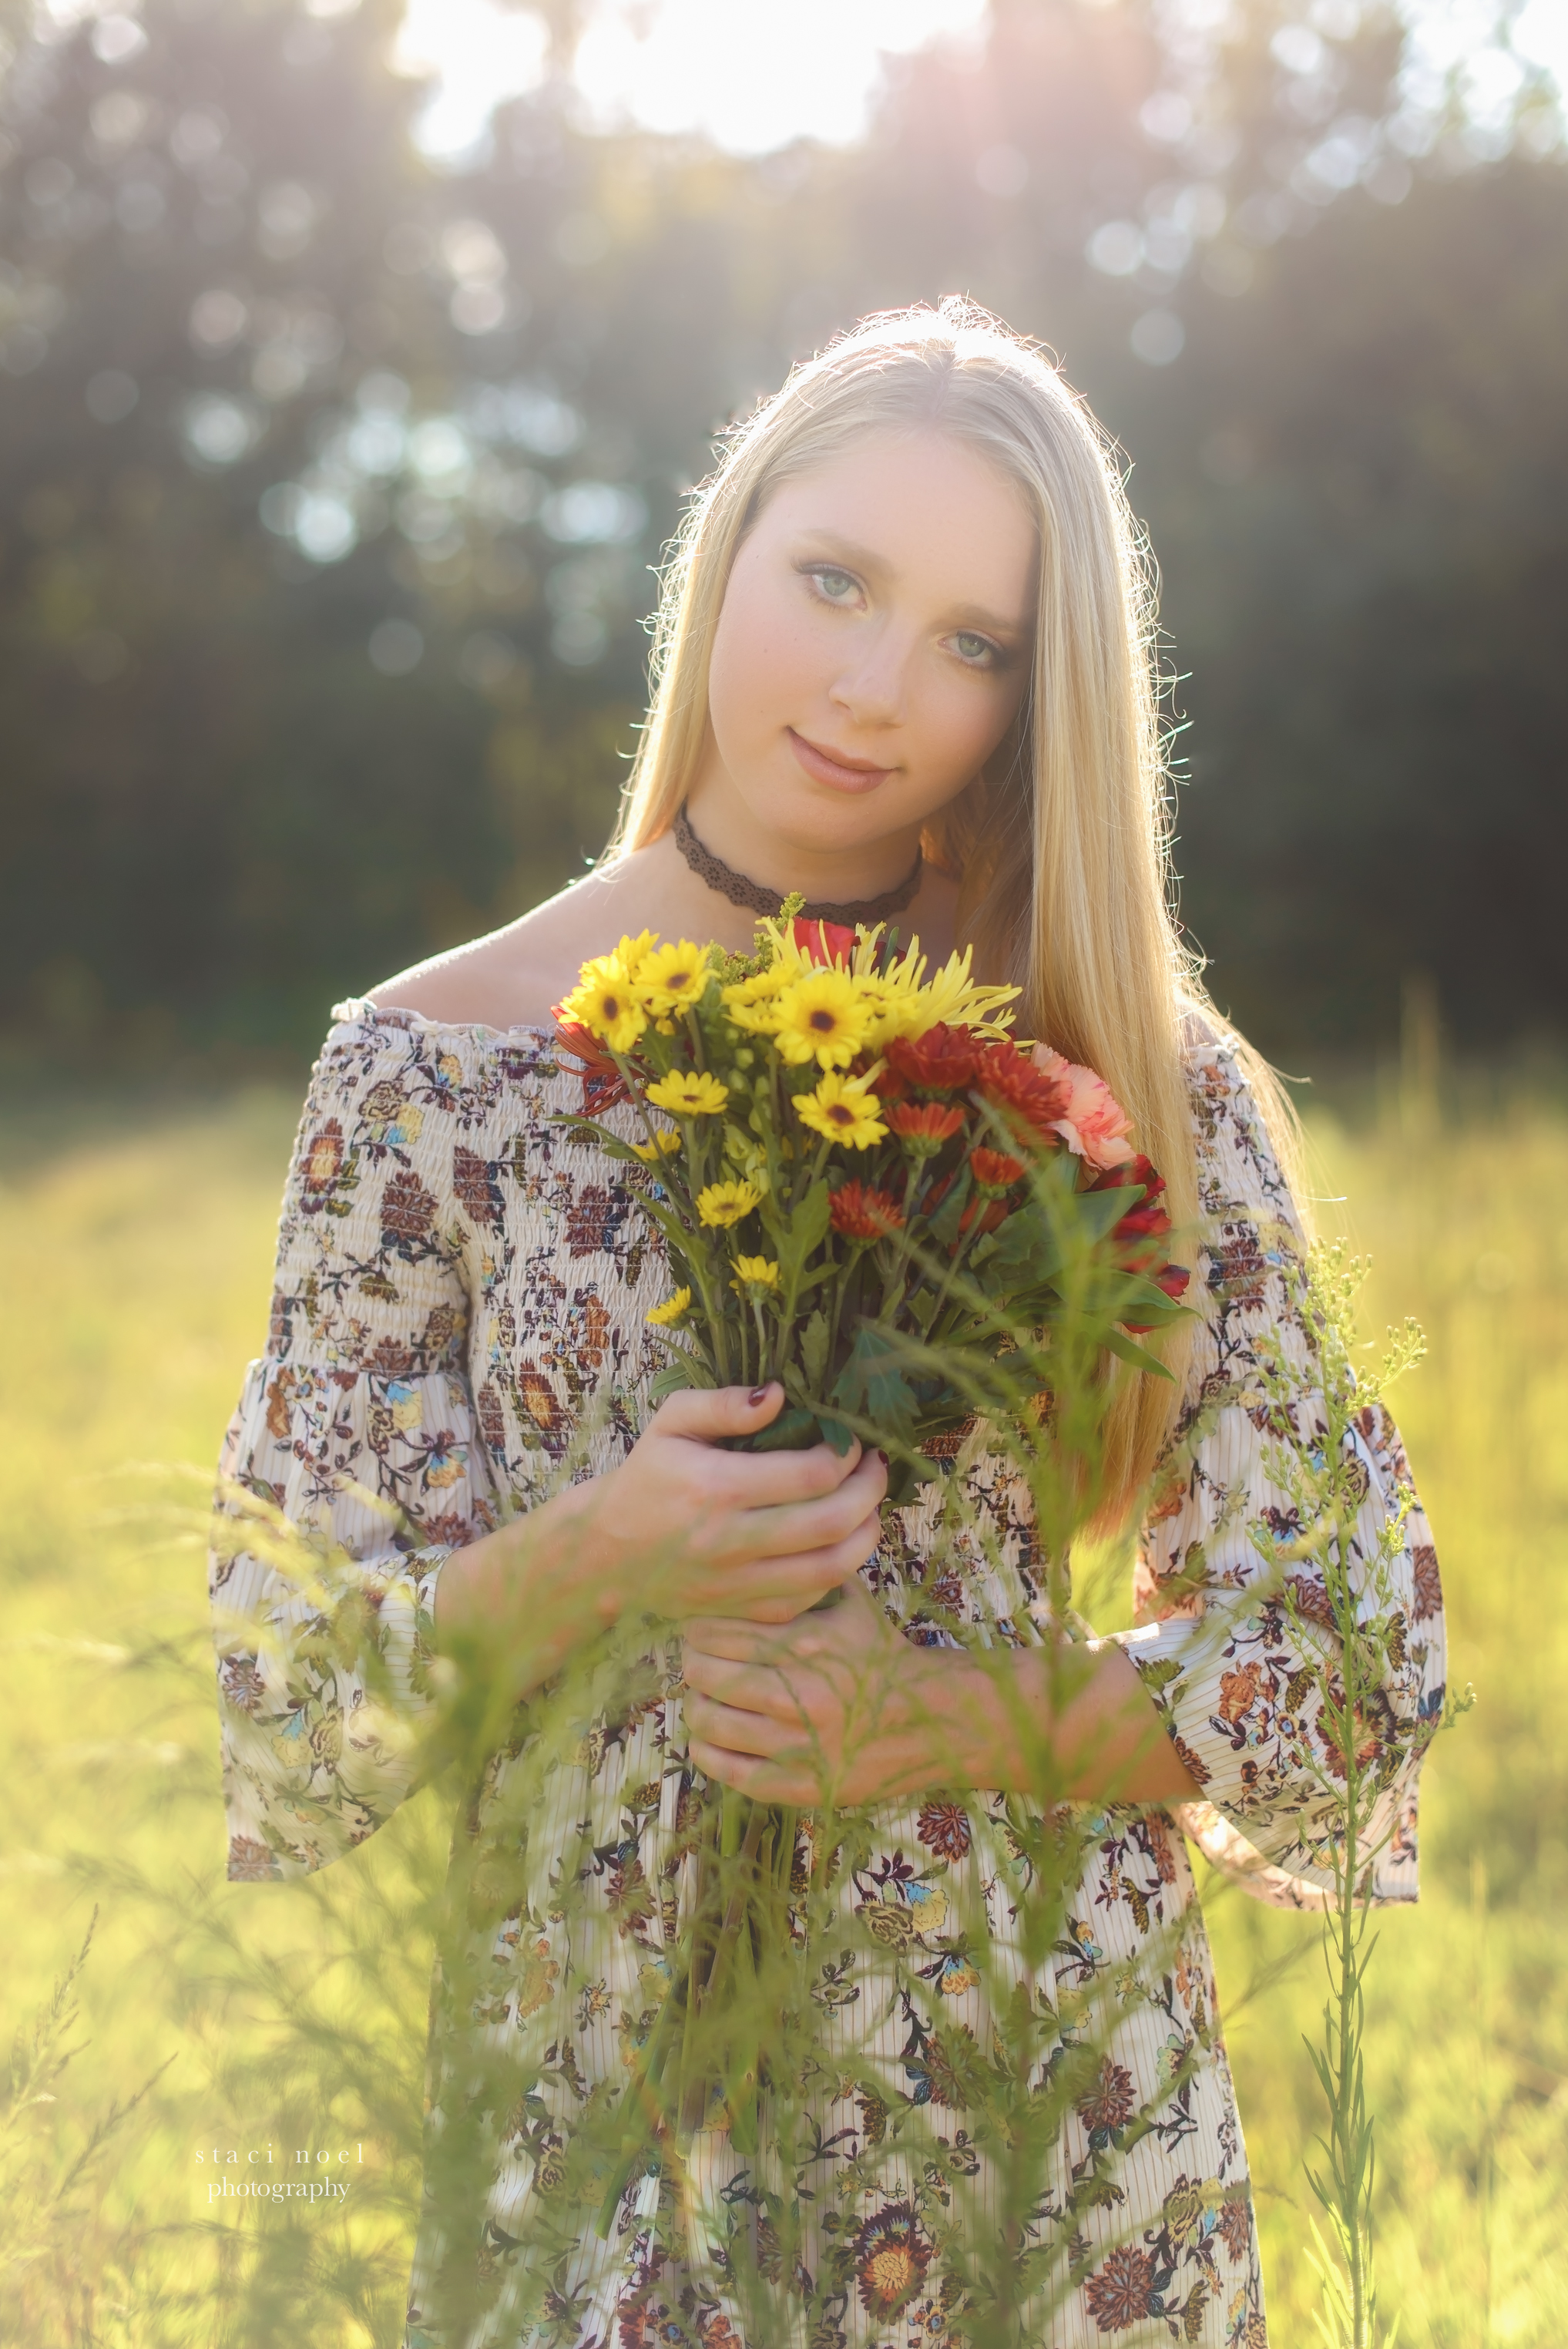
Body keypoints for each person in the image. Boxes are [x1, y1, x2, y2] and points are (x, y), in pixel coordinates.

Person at [210, 301, 1445, 2348]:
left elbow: (1342, 1658)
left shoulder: (1106, 1052)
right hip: (599, 2123)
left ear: (1033, 699)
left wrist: (963, 1718)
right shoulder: (428, 1075)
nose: (877, 689)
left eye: (973, 645)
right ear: (728, 547)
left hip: (1047, 2133)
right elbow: (291, 1712)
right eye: (836, 582)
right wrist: (587, 1558)